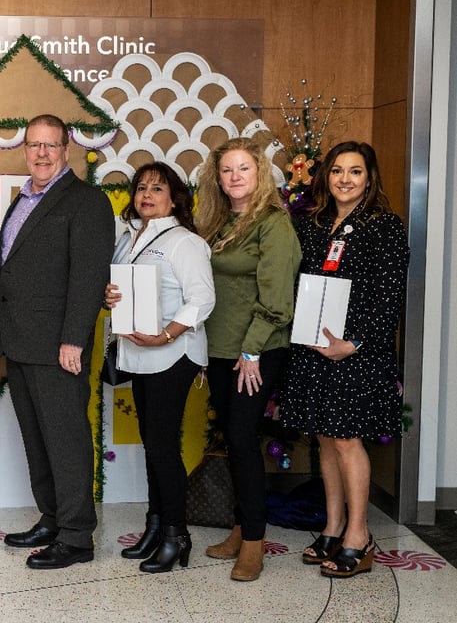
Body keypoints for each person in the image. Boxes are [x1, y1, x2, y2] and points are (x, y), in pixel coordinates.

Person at [280, 142, 409, 578]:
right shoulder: (313, 225)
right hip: (314, 350)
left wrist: (352, 343)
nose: (345, 179)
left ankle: (359, 535)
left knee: (347, 439)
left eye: (355, 171)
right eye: (337, 171)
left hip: (356, 352)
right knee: (325, 437)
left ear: (369, 178)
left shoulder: (384, 227)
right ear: (325, 177)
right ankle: (333, 527)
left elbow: (389, 298)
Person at [0, 114, 115, 570]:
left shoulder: (86, 201)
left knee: (65, 442)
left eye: (50, 145)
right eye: (33, 145)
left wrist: (73, 340)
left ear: (66, 150)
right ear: (24, 150)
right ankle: (52, 518)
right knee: (37, 440)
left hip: (58, 347)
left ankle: (77, 536)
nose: (41, 153)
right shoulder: (23, 197)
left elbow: (88, 277)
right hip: (21, 341)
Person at [194, 137, 301, 581]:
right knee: (232, 438)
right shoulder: (216, 223)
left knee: (241, 439)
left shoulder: (273, 224)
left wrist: (252, 349)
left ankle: (254, 541)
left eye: (243, 169)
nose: (235, 177)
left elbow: (278, 299)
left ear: (259, 174)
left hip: (254, 351)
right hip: (219, 350)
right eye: (226, 170)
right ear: (216, 178)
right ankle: (240, 528)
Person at [104, 162, 215, 572]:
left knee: (163, 445)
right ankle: (155, 525)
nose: (147, 195)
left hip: (172, 353)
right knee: (153, 444)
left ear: (174, 198)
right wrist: (111, 295)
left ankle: (176, 535)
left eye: (157, 188)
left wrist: (166, 334)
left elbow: (203, 299)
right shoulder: (132, 238)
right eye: (141, 188)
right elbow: (118, 289)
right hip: (140, 353)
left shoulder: (184, 242)